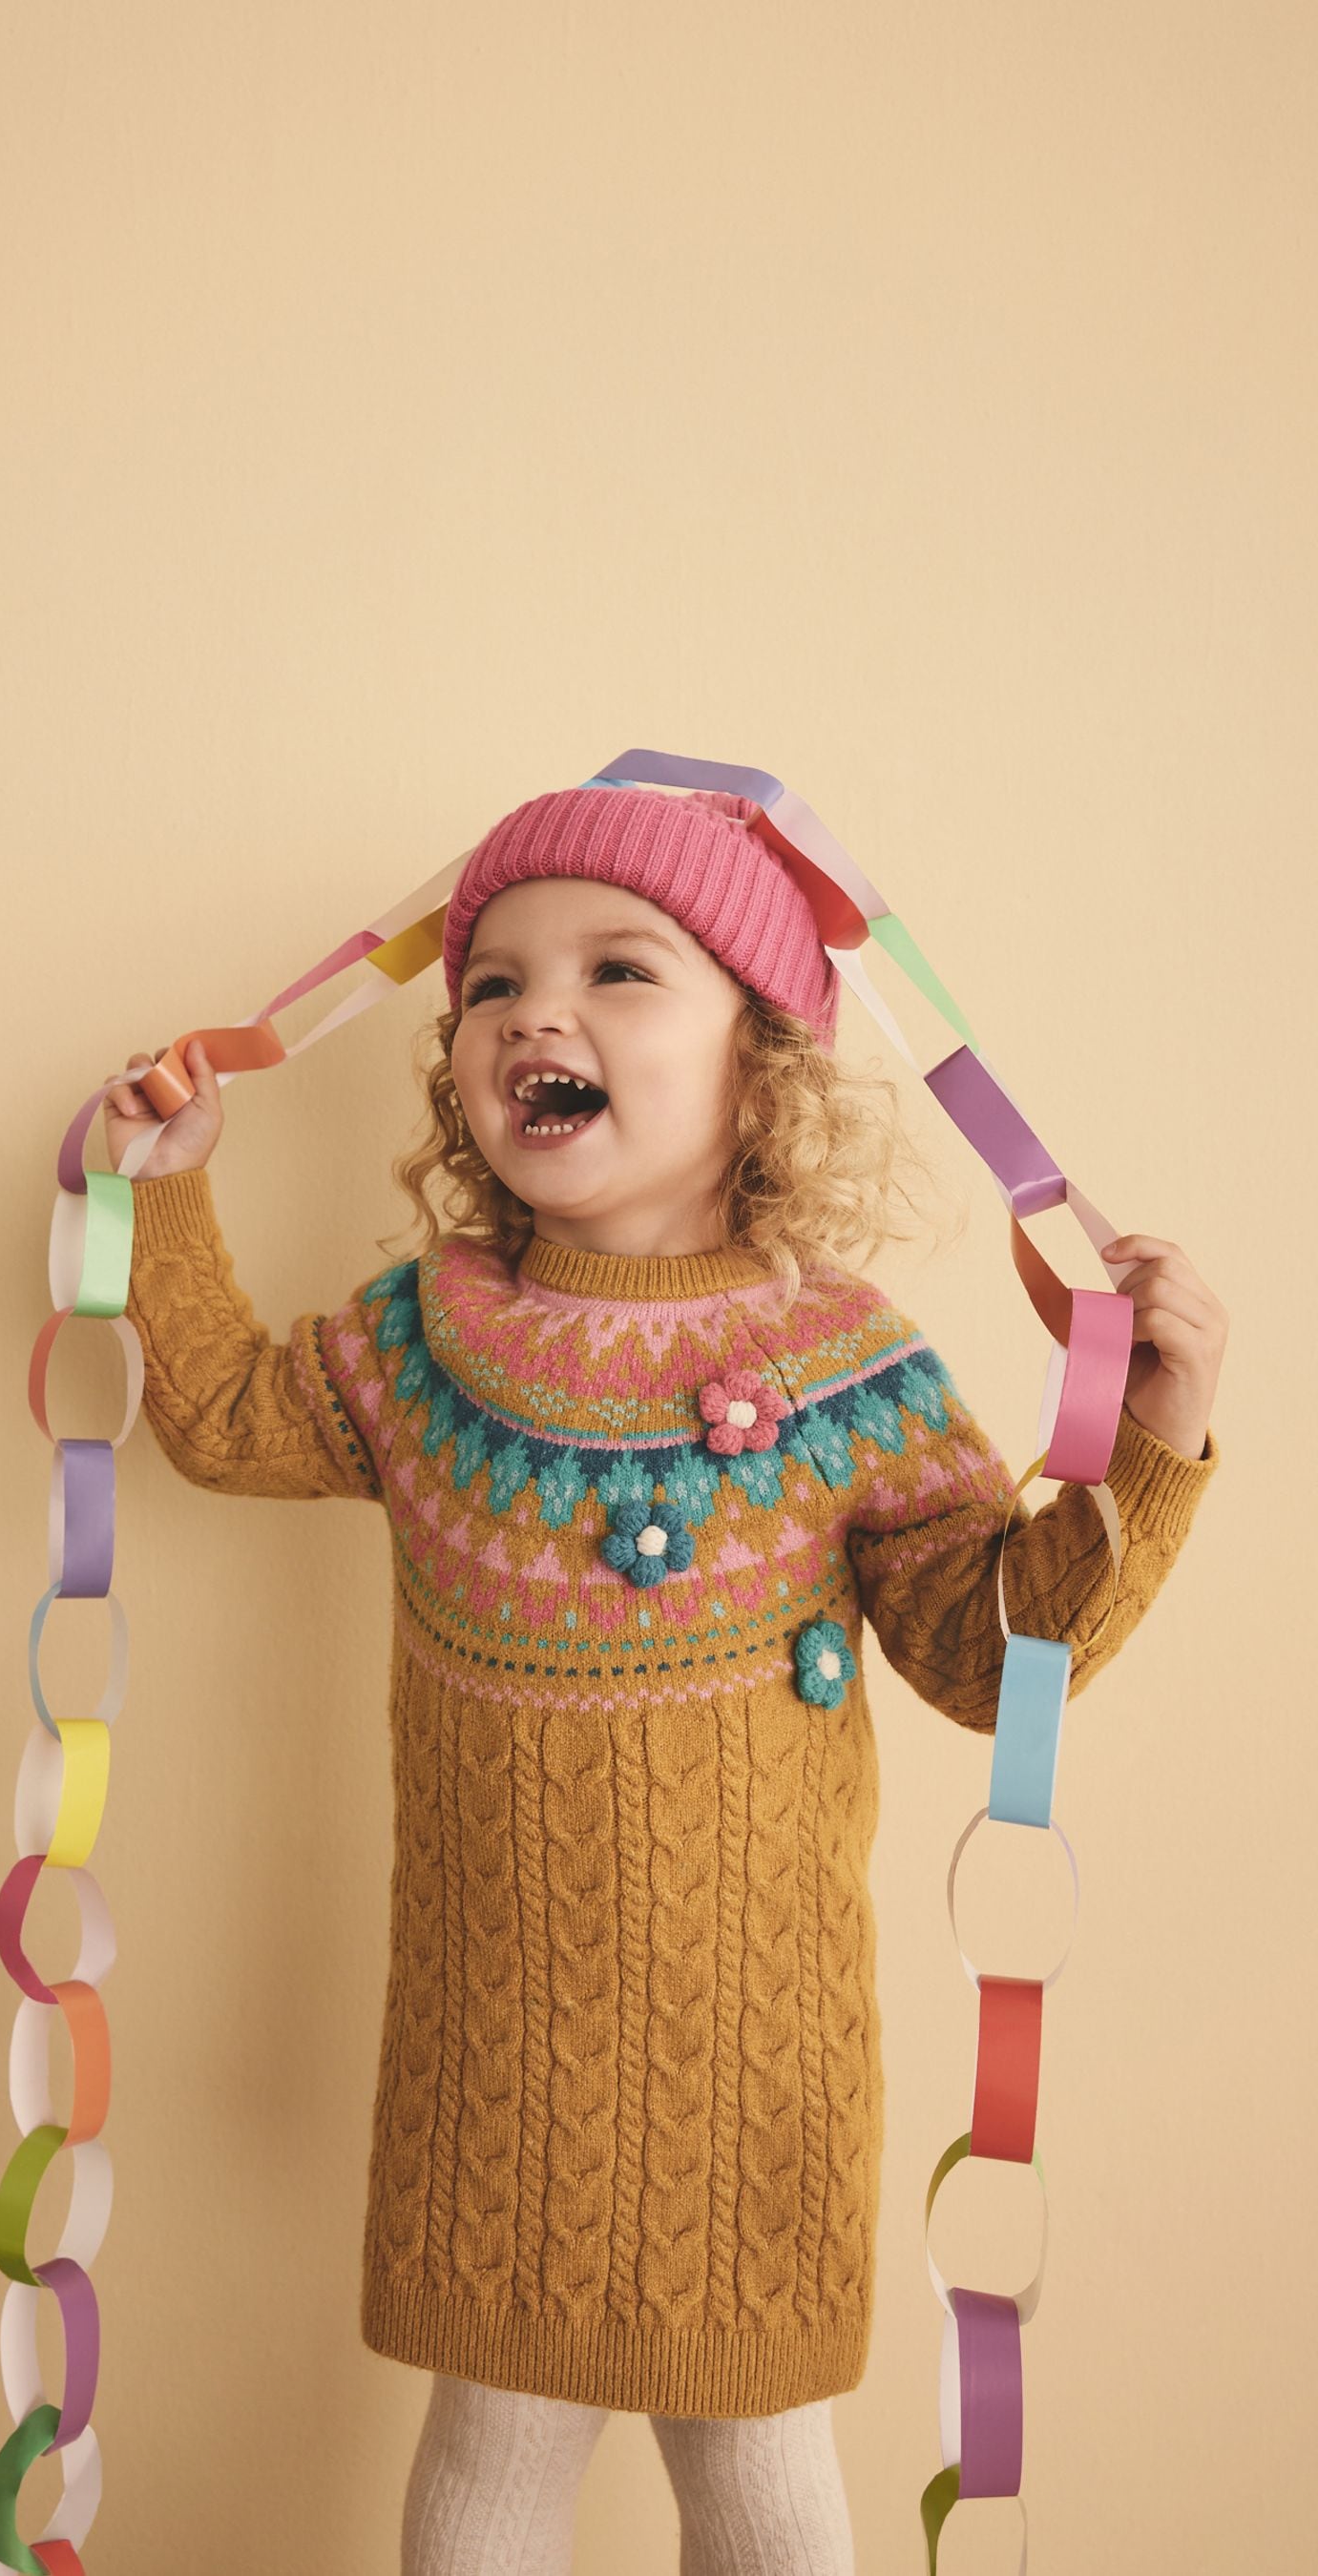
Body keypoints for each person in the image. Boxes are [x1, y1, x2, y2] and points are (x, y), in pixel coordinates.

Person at [103, 782, 1226, 2574]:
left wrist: (1147, 1444)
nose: (536, 1014)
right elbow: (231, 1419)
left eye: (621, 972)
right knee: (484, 2469)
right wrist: (165, 1203)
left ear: (759, 1066)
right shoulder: (428, 1341)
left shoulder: (846, 1362)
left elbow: (986, 1650)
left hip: (751, 2071)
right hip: (496, 2069)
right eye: (492, 986)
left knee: (765, 2491)